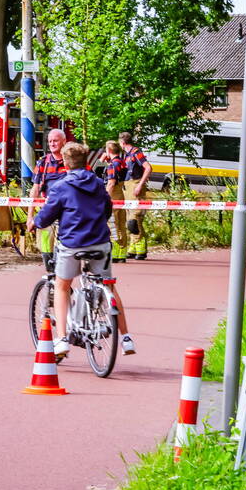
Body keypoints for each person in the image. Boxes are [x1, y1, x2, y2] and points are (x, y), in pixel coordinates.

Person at [28, 142, 136, 357]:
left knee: (61, 285)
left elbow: (48, 214)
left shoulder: (61, 186)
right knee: (108, 286)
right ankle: (126, 338)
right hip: (100, 242)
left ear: (65, 165)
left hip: (72, 244)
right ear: (86, 162)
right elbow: (107, 208)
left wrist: (35, 223)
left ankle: (62, 339)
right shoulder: (98, 183)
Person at [28, 128, 68, 270]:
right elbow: (35, 189)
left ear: (64, 142)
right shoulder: (43, 162)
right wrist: (30, 216)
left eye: (55, 140)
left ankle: (60, 272)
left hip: (66, 212)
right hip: (47, 209)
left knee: (62, 244)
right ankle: (49, 270)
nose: (52, 143)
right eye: (50, 141)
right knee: (45, 241)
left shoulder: (70, 161)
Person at [118, 132, 153, 260]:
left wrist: (140, 185)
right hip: (128, 187)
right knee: (129, 218)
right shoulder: (126, 155)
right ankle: (133, 247)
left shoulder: (136, 152)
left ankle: (141, 247)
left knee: (135, 219)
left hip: (135, 185)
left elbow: (148, 168)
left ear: (122, 143)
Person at [102, 140, 129, 263]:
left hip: (113, 195)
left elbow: (111, 182)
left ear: (108, 151)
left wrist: (105, 197)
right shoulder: (121, 162)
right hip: (121, 194)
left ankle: (116, 252)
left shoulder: (112, 165)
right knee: (121, 223)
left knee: (113, 224)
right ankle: (122, 251)